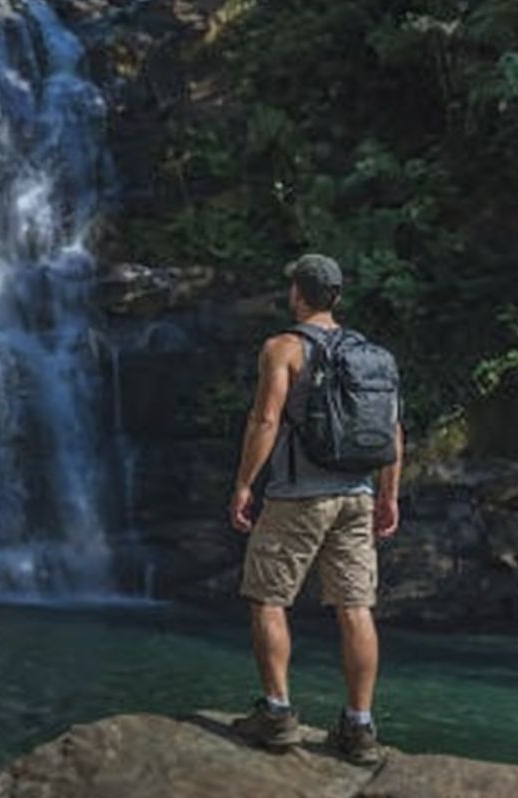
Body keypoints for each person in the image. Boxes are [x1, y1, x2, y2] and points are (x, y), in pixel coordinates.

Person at [228, 253, 403, 765]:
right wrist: (388, 496)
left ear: (296, 295)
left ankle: (278, 714)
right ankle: (359, 726)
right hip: (358, 495)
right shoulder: (376, 356)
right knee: (355, 606)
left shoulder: (283, 348)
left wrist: (243, 484)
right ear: (337, 297)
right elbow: (393, 432)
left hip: (296, 496)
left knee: (267, 597)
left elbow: (265, 419)